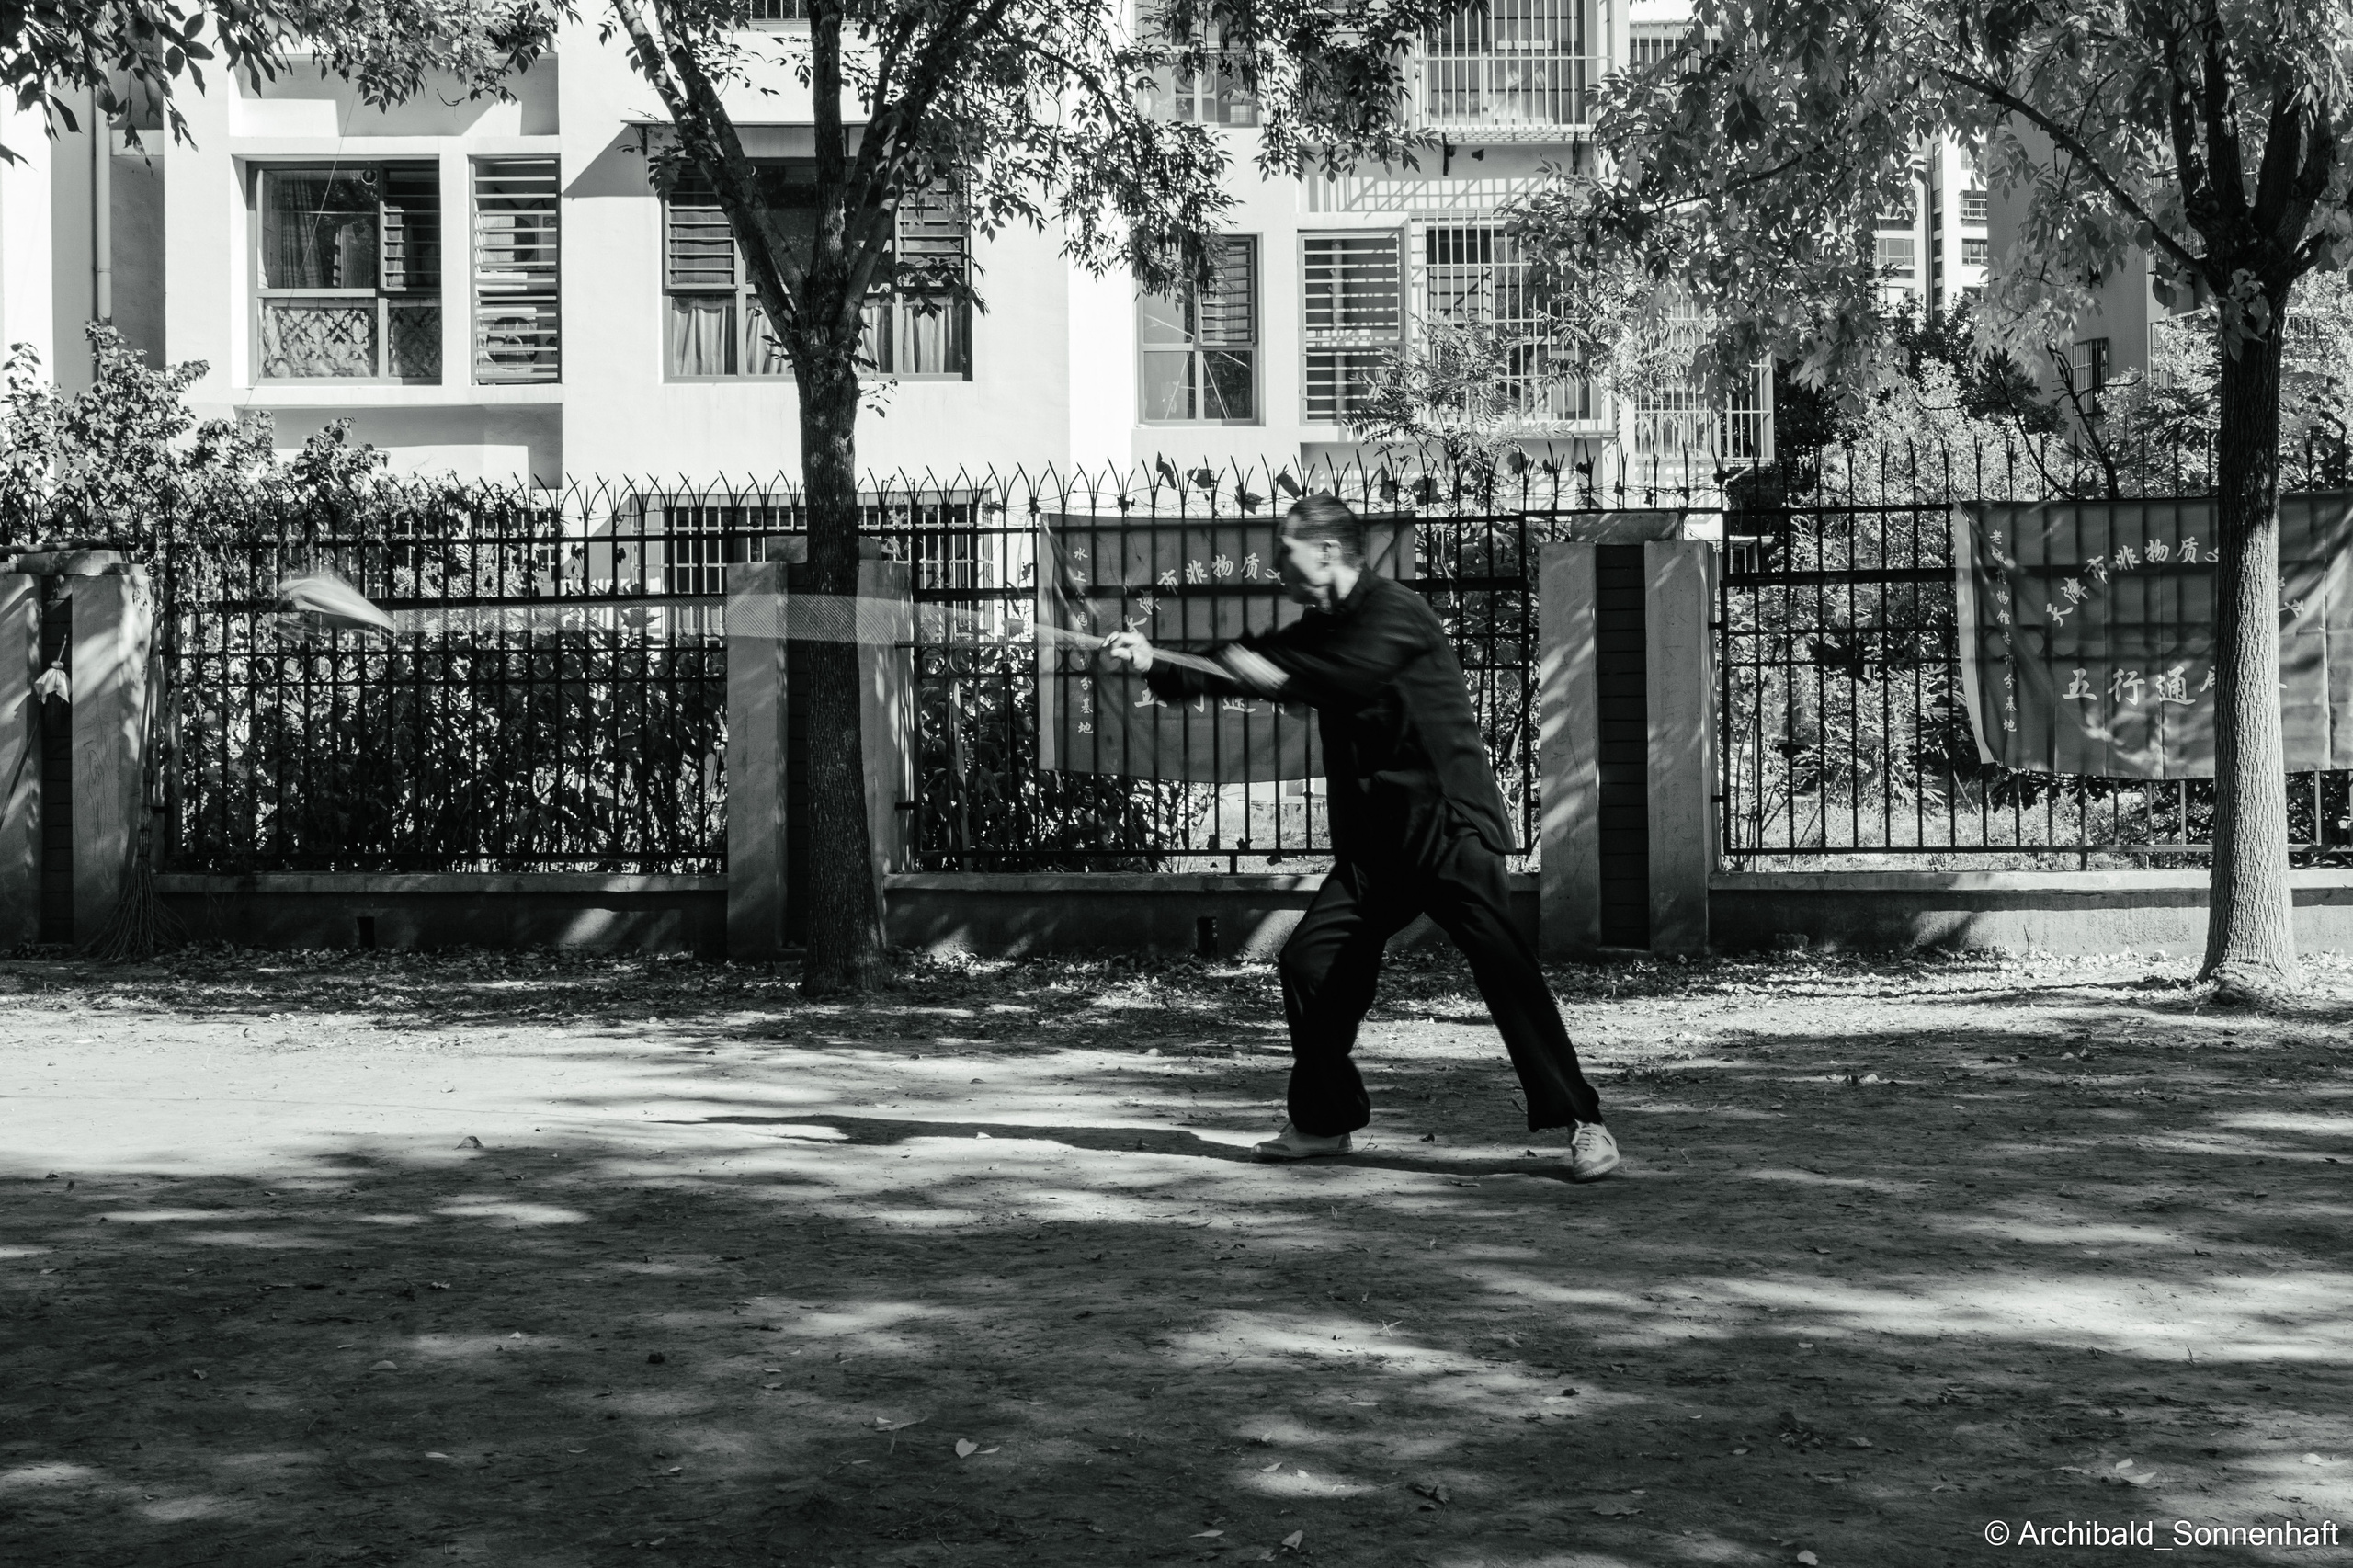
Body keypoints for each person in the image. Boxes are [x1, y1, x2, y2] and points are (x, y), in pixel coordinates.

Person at [1103, 495, 1619, 1181]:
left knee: (1504, 968)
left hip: (1446, 830)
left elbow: (1335, 675)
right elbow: (1255, 656)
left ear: (1326, 551)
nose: (1280, 565)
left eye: (1287, 550)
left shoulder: (1394, 614)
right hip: (1377, 847)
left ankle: (1586, 1123)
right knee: (1310, 964)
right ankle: (1323, 1122)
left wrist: (1261, 671)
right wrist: (1153, 664)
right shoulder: (1325, 625)